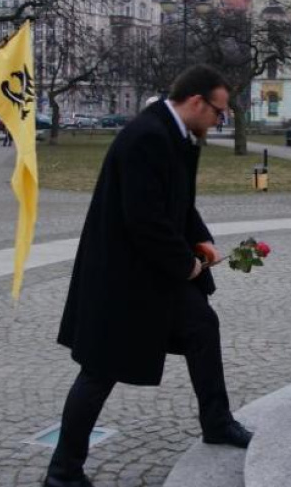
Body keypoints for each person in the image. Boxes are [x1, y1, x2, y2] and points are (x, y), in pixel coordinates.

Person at [46, 65, 251, 487]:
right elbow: (146, 220)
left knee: (201, 326)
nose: (219, 120)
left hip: (151, 272)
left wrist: (201, 239)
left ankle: (216, 421)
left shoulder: (175, 135)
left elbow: (177, 203)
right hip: (122, 279)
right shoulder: (147, 137)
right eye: (219, 112)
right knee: (99, 370)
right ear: (197, 102)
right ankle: (63, 474)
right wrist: (187, 265)